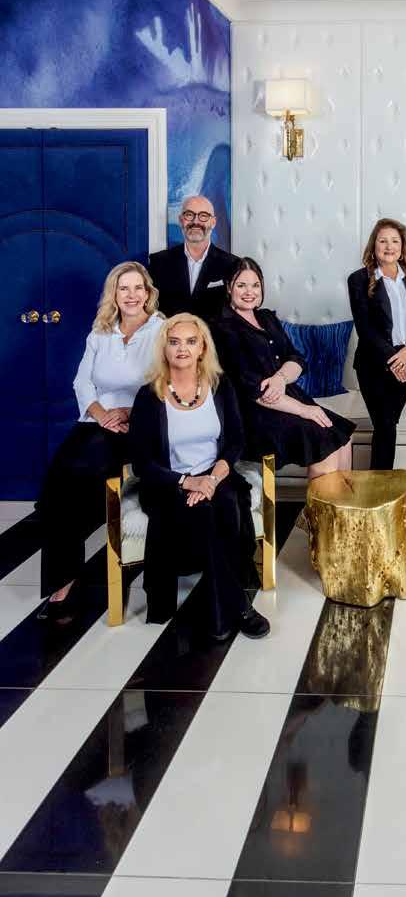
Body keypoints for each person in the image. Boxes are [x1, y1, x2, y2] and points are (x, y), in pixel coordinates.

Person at [35, 262, 164, 621]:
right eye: (124, 288)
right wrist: (101, 413)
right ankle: (64, 579)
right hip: (95, 421)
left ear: (148, 292)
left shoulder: (161, 329)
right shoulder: (100, 332)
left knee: (74, 485)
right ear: (114, 294)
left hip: (139, 425)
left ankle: (64, 587)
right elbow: (82, 382)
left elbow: (165, 383)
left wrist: (127, 411)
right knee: (55, 487)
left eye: (138, 288)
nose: (132, 295)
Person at [129, 312, 269, 640]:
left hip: (215, 475)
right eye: (174, 342)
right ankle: (237, 608)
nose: (182, 349)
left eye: (191, 342)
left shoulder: (220, 386)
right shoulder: (149, 396)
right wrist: (187, 482)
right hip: (169, 483)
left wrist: (211, 480)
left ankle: (222, 611)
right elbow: (142, 462)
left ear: (202, 348)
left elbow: (235, 442)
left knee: (226, 504)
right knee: (207, 513)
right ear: (164, 349)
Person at [214, 259, 355, 476]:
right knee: (325, 443)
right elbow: (252, 390)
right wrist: (305, 410)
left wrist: (280, 378)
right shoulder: (223, 328)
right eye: (241, 285)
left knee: (344, 437)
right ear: (228, 287)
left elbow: (296, 358)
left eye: (255, 285)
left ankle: (341, 498)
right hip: (255, 411)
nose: (249, 292)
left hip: (287, 395)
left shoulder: (267, 318)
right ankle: (323, 500)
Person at [347, 218, 406, 469]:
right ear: (374, 246)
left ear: (403, 247)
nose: (389, 246)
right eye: (383, 241)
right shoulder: (358, 279)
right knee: (384, 424)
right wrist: (394, 360)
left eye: (395, 241)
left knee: (388, 424)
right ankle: (381, 484)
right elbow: (365, 327)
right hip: (373, 364)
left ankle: (381, 484)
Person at [147, 195, 237, 324]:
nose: (196, 221)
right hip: (170, 334)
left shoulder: (232, 264)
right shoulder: (158, 262)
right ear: (181, 220)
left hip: (215, 336)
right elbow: (150, 309)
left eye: (203, 216)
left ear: (213, 222)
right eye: (189, 215)